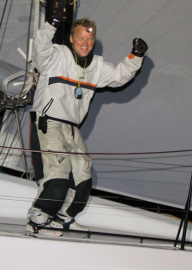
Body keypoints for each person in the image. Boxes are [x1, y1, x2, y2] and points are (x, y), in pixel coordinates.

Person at [26, 8, 148, 236]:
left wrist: (136, 56)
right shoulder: (56, 55)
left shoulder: (97, 66)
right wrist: (51, 23)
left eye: (89, 39)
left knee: (83, 173)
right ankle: (37, 220)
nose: (85, 42)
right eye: (80, 38)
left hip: (71, 127)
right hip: (48, 122)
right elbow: (40, 48)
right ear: (72, 38)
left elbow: (119, 76)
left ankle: (63, 217)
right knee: (58, 173)